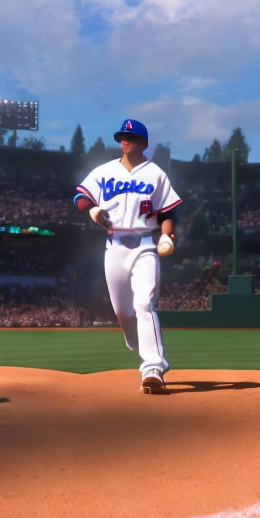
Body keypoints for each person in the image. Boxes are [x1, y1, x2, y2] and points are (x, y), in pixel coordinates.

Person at [73, 119, 182, 394]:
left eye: (131, 137)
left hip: (145, 244)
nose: (125, 141)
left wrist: (167, 236)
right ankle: (134, 336)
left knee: (144, 303)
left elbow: (168, 213)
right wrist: (92, 211)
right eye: (123, 136)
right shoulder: (105, 171)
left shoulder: (155, 173)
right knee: (123, 312)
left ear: (143, 143)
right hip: (114, 245)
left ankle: (153, 368)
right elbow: (81, 198)